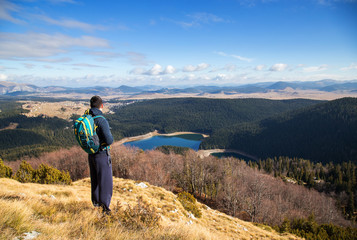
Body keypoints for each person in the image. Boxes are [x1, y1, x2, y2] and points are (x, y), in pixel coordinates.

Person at [88, 95, 114, 214]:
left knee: (95, 180)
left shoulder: (88, 118)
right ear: (101, 106)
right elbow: (109, 140)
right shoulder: (101, 119)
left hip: (91, 154)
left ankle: (96, 204)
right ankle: (105, 209)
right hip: (102, 154)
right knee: (105, 181)